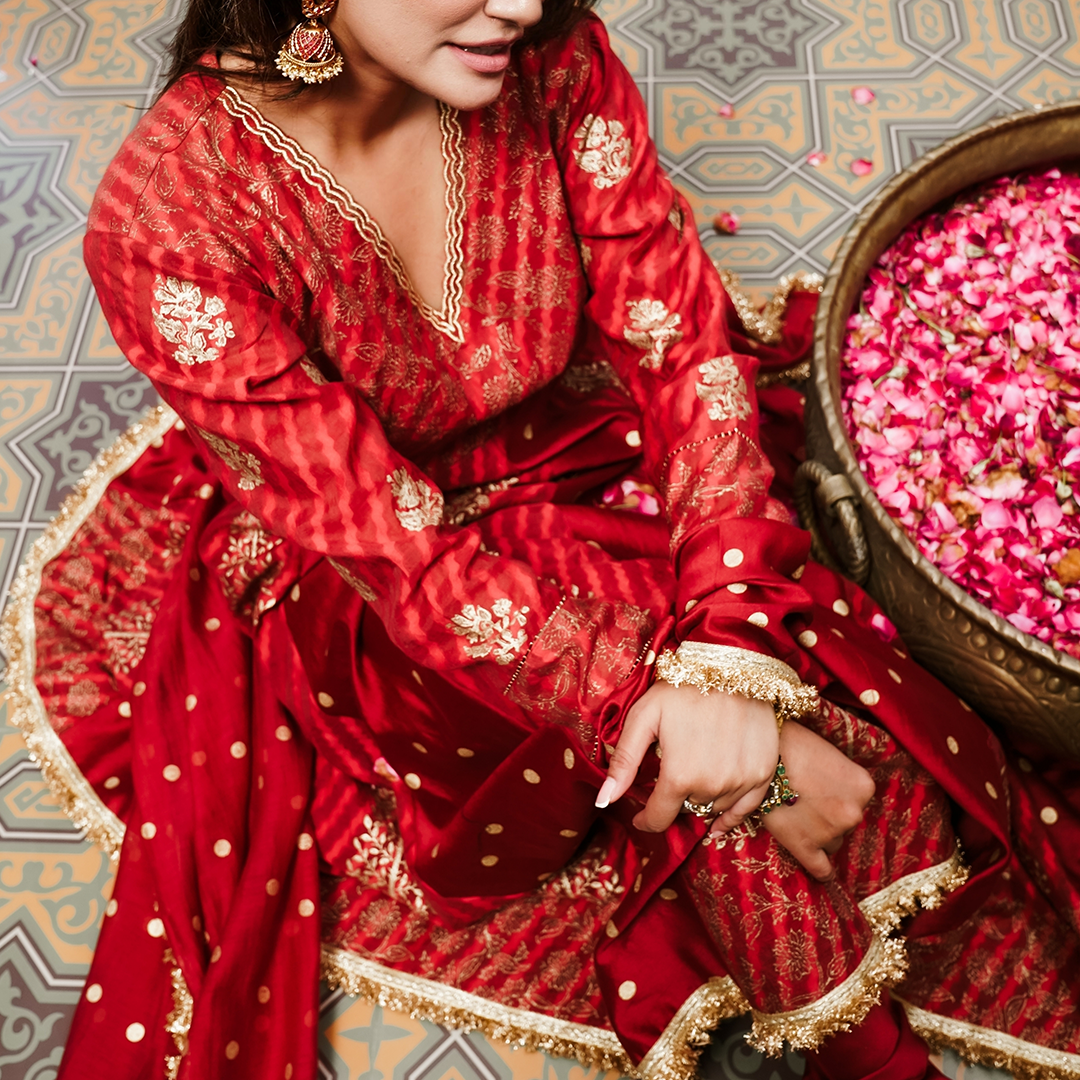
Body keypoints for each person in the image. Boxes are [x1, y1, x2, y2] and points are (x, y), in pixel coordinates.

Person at [6, 0, 1078, 1078]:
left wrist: (729, 648)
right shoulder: (169, 221)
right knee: (742, 793)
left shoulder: (546, 47)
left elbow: (676, 342)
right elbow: (393, 553)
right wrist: (736, 748)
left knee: (780, 586)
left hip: (578, 439)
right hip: (379, 568)